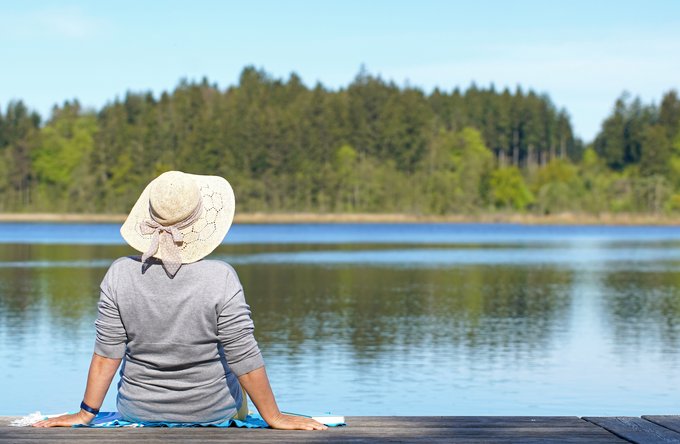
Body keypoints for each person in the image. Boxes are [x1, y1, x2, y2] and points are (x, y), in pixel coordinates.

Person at [33, 171, 326, 430]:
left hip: (138, 410)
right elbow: (244, 358)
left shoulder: (119, 273)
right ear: (200, 222)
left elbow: (106, 356)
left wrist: (85, 414)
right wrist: (274, 417)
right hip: (214, 411)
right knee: (238, 389)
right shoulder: (220, 277)